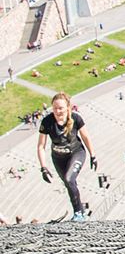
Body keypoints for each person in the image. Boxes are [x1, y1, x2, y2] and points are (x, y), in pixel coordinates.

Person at [35, 92, 96, 221]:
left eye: (61, 108)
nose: (57, 111)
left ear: (67, 107)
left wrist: (93, 155)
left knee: (69, 179)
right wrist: (43, 168)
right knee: (69, 184)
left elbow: (85, 136)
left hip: (76, 153)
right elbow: (41, 146)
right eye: (55, 108)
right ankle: (79, 212)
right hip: (58, 158)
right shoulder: (47, 121)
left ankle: (79, 213)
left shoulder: (76, 118)